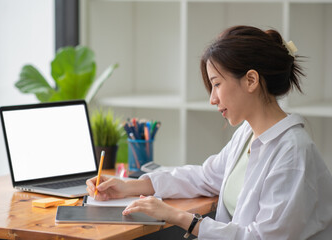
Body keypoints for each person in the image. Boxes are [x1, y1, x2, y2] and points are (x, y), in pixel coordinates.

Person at [86, 25, 332, 239]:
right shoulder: (249, 132)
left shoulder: (293, 154)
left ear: (251, 80)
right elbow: (204, 177)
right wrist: (129, 186)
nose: (213, 99)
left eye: (216, 84)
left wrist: (179, 217)